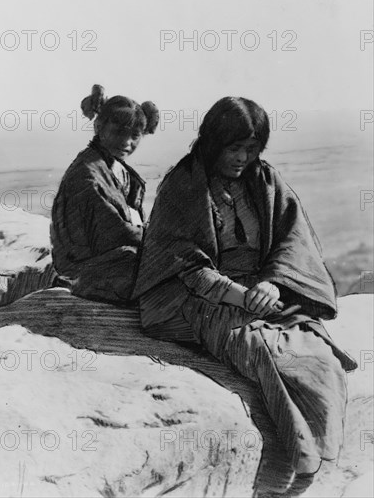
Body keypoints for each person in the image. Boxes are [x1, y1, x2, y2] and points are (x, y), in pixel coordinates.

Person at [133, 97, 357, 496]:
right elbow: (186, 266)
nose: (242, 157)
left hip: (266, 290)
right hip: (202, 298)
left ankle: (319, 454)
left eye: (250, 149)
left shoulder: (264, 180)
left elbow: (292, 241)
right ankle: (301, 454)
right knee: (266, 352)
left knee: (318, 358)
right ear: (213, 142)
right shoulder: (182, 186)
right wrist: (240, 296)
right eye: (233, 147)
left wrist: (273, 283)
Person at [51, 84, 159, 305]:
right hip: (84, 268)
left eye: (135, 136)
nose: (127, 143)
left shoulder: (119, 171)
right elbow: (112, 233)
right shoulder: (86, 174)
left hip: (114, 256)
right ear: (99, 126)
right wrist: (159, 238)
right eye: (119, 132)